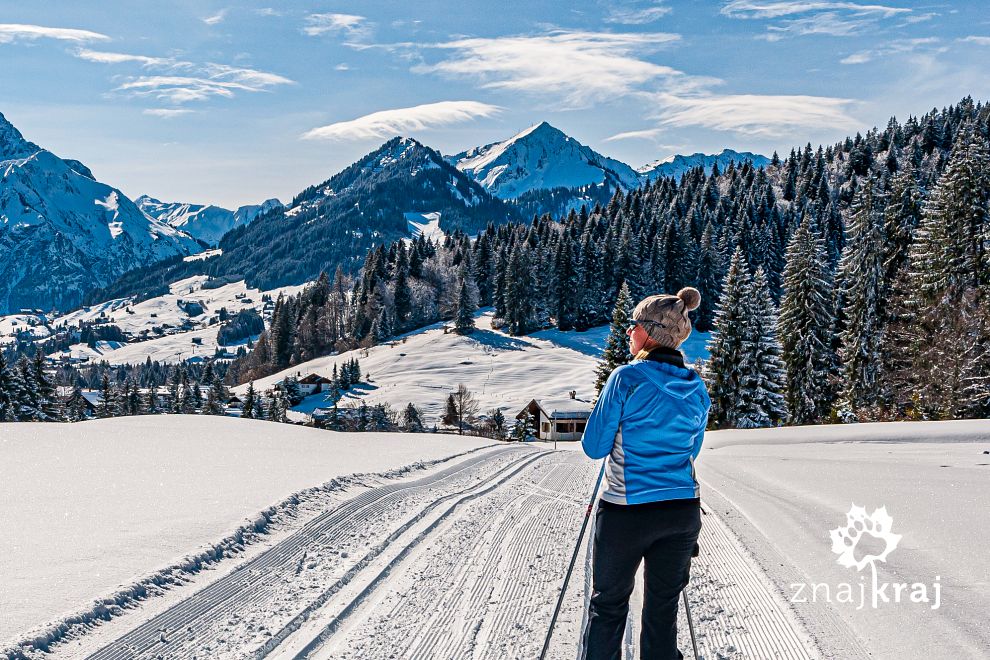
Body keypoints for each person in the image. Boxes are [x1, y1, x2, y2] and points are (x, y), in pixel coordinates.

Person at [580, 286, 711, 660]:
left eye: (634, 324)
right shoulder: (696, 388)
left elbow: (594, 447)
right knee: (662, 611)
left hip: (627, 512)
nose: (628, 331)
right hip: (681, 512)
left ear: (652, 332)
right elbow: (691, 452)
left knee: (608, 606)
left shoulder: (625, 378)